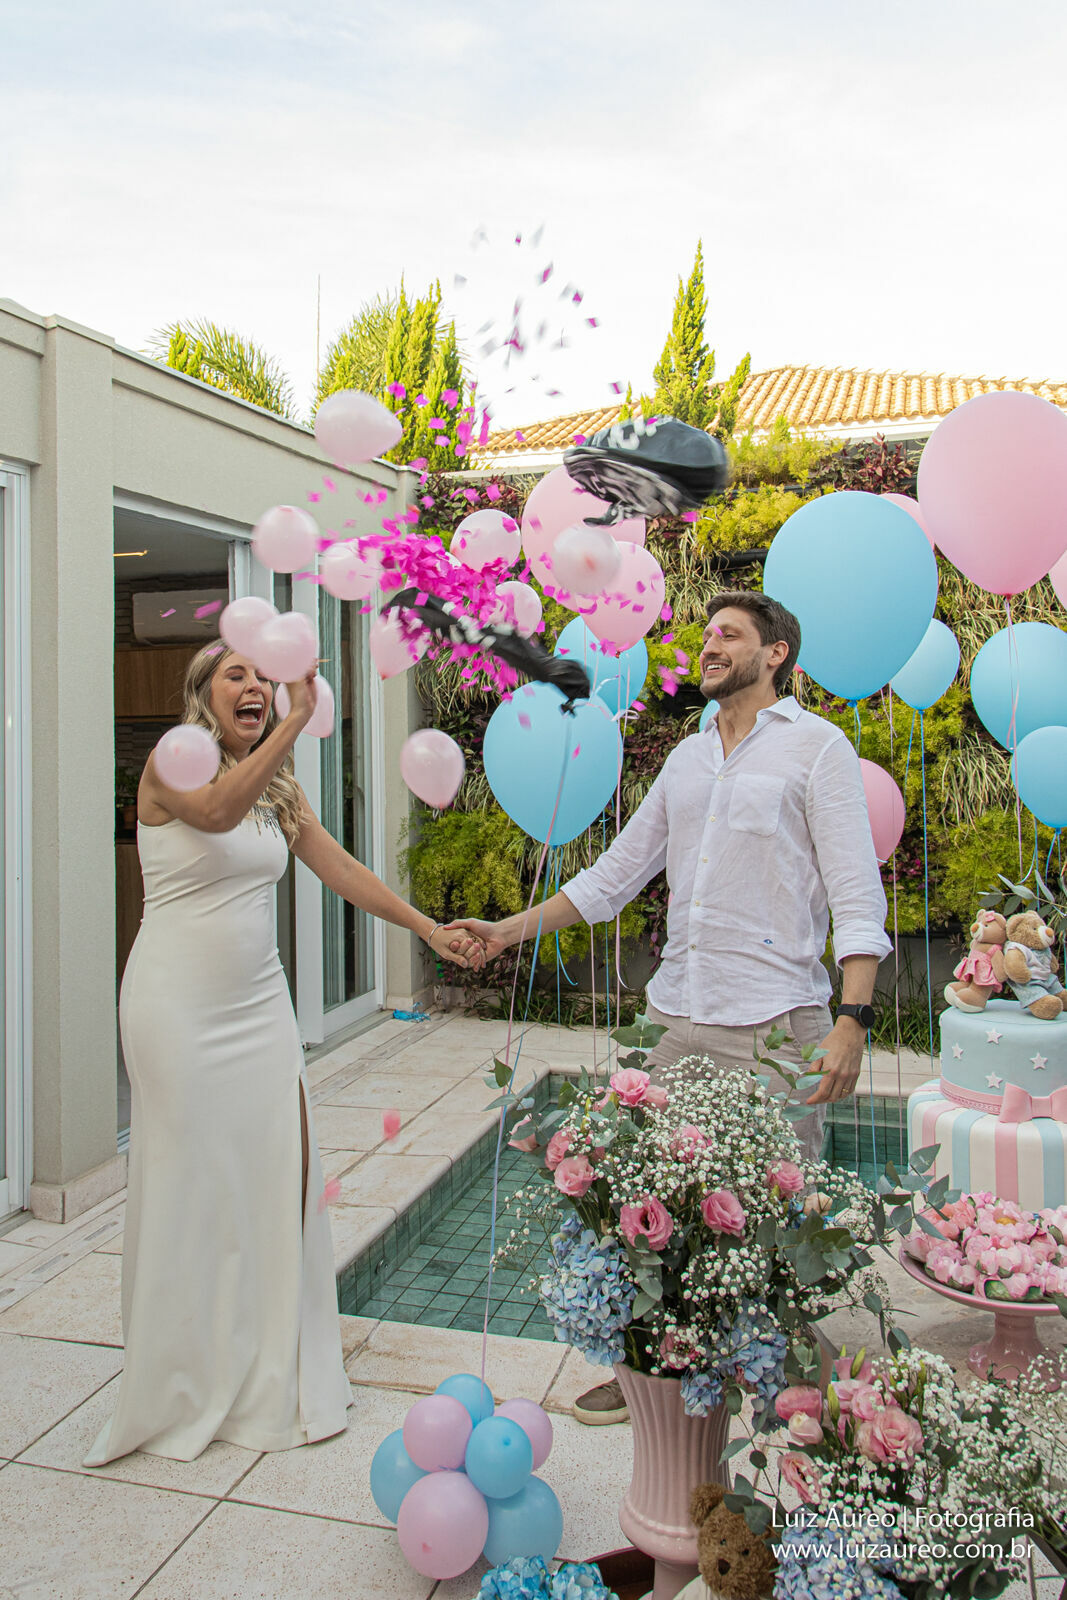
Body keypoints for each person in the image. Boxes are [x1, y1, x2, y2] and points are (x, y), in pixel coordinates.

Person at [447, 591, 891, 1425]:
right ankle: (650, 1367)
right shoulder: (686, 759)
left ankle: (778, 1373)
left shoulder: (816, 748)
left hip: (773, 1021)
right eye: (707, 634)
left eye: (730, 635)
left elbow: (855, 892)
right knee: (652, 1199)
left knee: (773, 1209)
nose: (709, 645)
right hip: (677, 1016)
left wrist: (851, 1019)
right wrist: (505, 932)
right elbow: (614, 876)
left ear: (776, 654)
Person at [85, 643, 482, 1466]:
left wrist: (424, 928)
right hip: (176, 1010)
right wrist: (298, 719)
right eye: (235, 674)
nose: (256, 688)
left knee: (276, 1179)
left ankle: (271, 1368)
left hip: (260, 1006)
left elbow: (338, 868)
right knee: (195, 1185)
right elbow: (215, 813)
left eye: (263, 678)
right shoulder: (174, 760)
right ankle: (184, 1381)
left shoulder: (277, 787)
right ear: (201, 693)